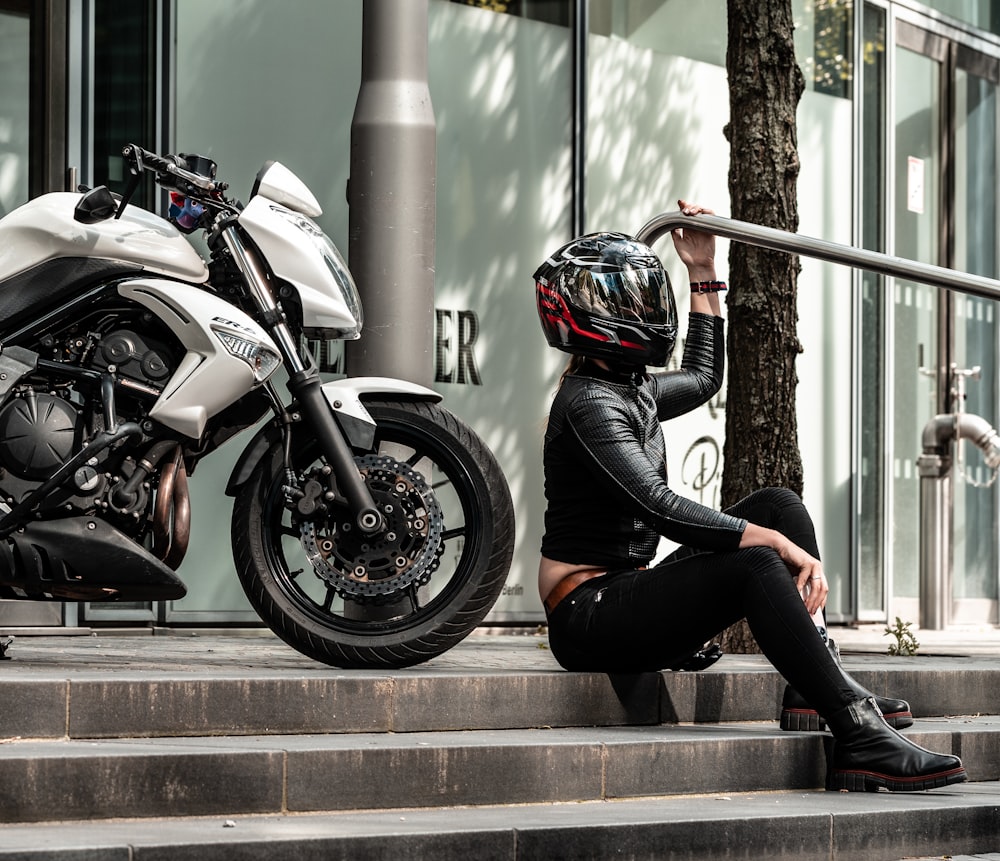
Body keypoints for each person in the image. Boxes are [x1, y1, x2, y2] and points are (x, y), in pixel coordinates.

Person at [532, 201, 966, 793]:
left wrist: (703, 269)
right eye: (633, 304)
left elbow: (707, 377)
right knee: (760, 553)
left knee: (777, 504)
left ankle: (813, 690)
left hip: (628, 594)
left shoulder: (628, 390)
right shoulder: (586, 403)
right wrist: (769, 543)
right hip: (588, 616)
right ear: (590, 316)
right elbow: (659, 507)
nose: (648, 315)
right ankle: (857, 734)